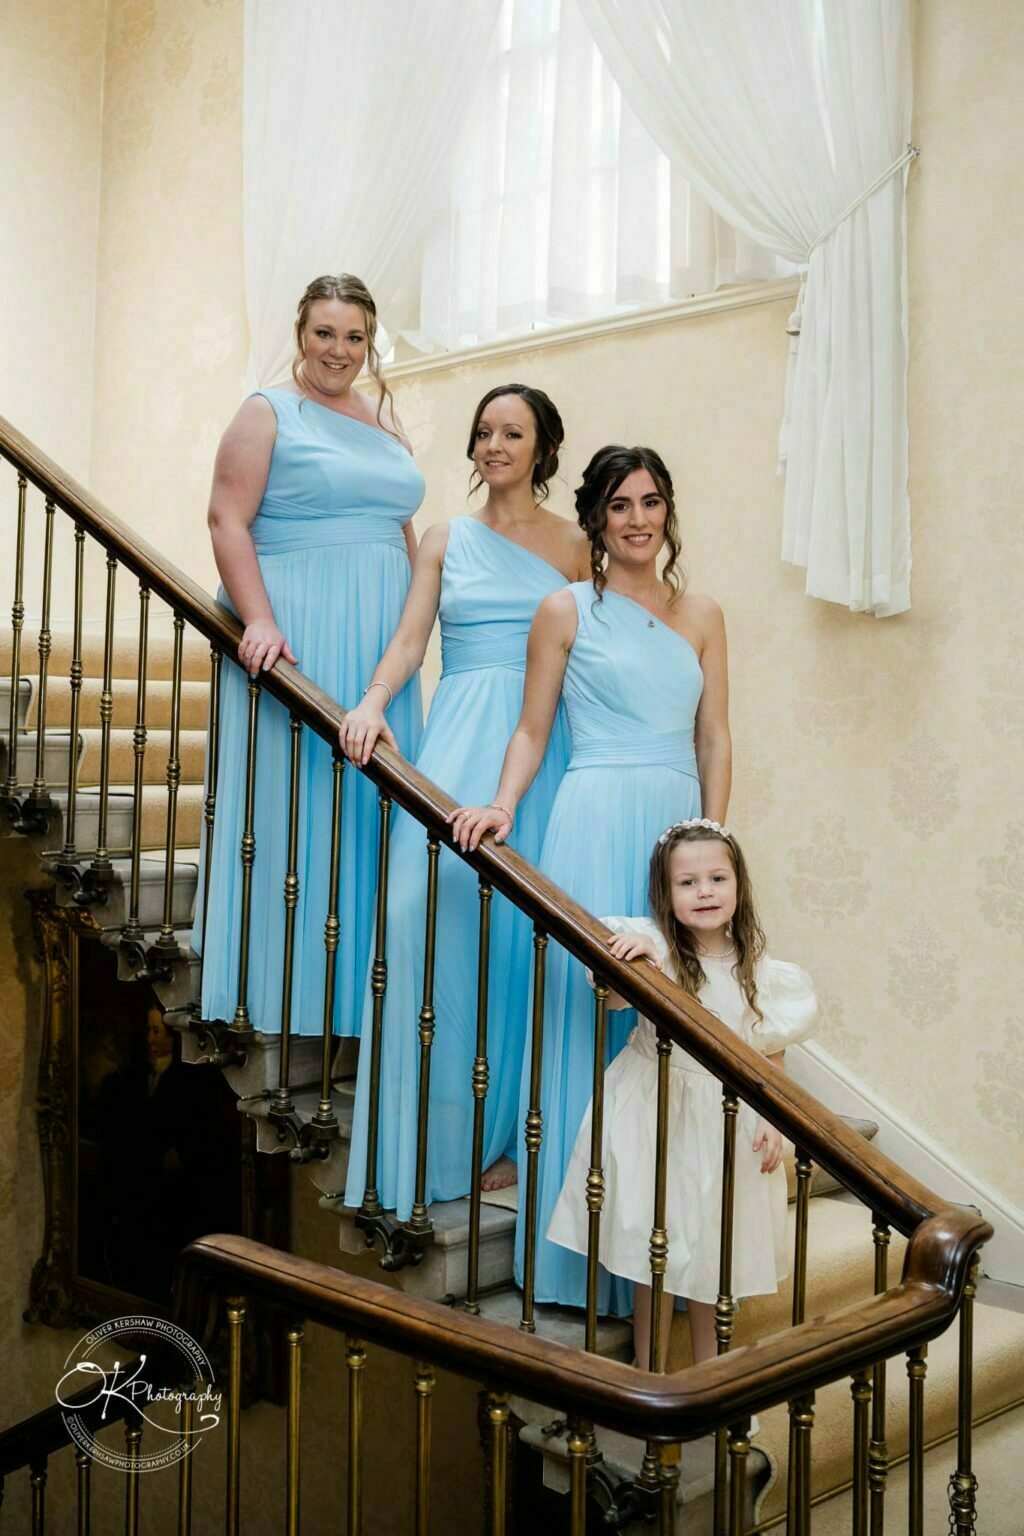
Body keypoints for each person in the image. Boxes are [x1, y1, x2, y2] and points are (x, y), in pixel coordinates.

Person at [448, 445, 731, 1313]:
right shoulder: (563, 609)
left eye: (651, 501)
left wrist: (712, 841)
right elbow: (532, 730)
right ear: (596, 522)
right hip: (593, 815)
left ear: (668, 511)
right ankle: (577, 1266)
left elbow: (715, 736)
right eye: (619, 505)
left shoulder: (703, 614)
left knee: (669, 1030)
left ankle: (662, 1260)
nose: (638, 519)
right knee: (584, 1027)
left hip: (672, 829)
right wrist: (501, 803)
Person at [339, 385, 589, 1219]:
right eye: (484, 432)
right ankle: (425, 1143)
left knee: (525, 942)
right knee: (416, 916)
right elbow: (412, 639)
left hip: (542, 747)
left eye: (512, 433)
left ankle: (516, 1139)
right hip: (458, 742)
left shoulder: (575, 545)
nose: (494, 445)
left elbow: (596, 652)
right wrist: (374, 700)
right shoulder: (446, 539)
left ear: (542, 448)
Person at [194, 274, 423, 1039]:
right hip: (304, 624)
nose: (339, 350)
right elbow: (227, 519)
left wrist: (416, 623)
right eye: (325, 333)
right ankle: (282, 992)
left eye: (354, 337)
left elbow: (402, 527)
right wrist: (258, 619)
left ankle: (363, 1001)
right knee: (301, 803)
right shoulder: (267, 411)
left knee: (369, 808)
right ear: (301, 333)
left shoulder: (382, 416)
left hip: (380, 639)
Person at [547, 820, 818, 1369]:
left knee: (712, 1257)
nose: (705, 892)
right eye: (688, 882)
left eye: (717, 878)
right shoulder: (657, 950)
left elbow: (771, 1051)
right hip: (658, 1112)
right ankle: (648, 1370)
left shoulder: (761, 971)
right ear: (666, 894)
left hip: (726, 1121)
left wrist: (775, 1117)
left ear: (739, 886)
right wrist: (639, 954)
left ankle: (708, 1374)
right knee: (657, 1251)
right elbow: (613, 997)